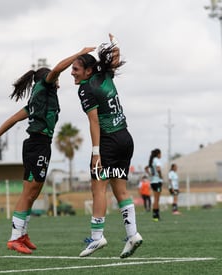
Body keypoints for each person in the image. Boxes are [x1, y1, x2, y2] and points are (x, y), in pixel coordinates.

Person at [0, 46, 95, 255]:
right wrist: (79, 53)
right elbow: (57, 69)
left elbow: (12, 119)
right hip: (38, 144)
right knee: (28, 192)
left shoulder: (38, 96)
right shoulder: (44, 87)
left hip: (37, 145)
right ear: (49, 79)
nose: (59, 81)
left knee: (33, 192)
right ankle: (14, 238)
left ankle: (22, 234)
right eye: (56, 79)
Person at [71, 33, 142, 258]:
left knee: (98, 187)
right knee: (120, 190)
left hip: (109, 140)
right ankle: (132, 235)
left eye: (76, 69)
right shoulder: (104, 75)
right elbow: (115, 59)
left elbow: (94, 121)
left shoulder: (85, 88)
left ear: (88, 71)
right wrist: (116, 44)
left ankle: (96, 236)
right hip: (126, 138)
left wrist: (95, 153)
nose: (72, 72)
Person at [148, 148, 163, 222]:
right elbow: (158, 168)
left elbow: (146, 168)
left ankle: (155, 215)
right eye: (160, 153)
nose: (161, 155)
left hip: (153, 182)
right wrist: (160, 175)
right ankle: (156, 215)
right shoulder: (156, 160)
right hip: (157, 182)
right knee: (157, 199)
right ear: (158, 154)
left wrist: (151, 174)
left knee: (156, 199)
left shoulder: (151, 160)